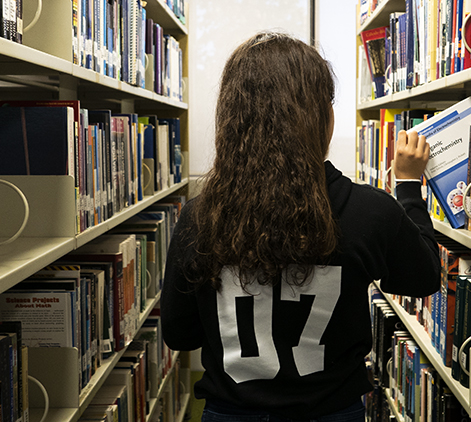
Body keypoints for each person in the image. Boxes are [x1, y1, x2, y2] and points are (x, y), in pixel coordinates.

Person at [161, 32, 441, 421]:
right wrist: (409, 187)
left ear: (231, 120)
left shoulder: (198, 216)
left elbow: (180, 334)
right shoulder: (369, 211)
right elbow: (422, 277)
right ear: (321, 116)